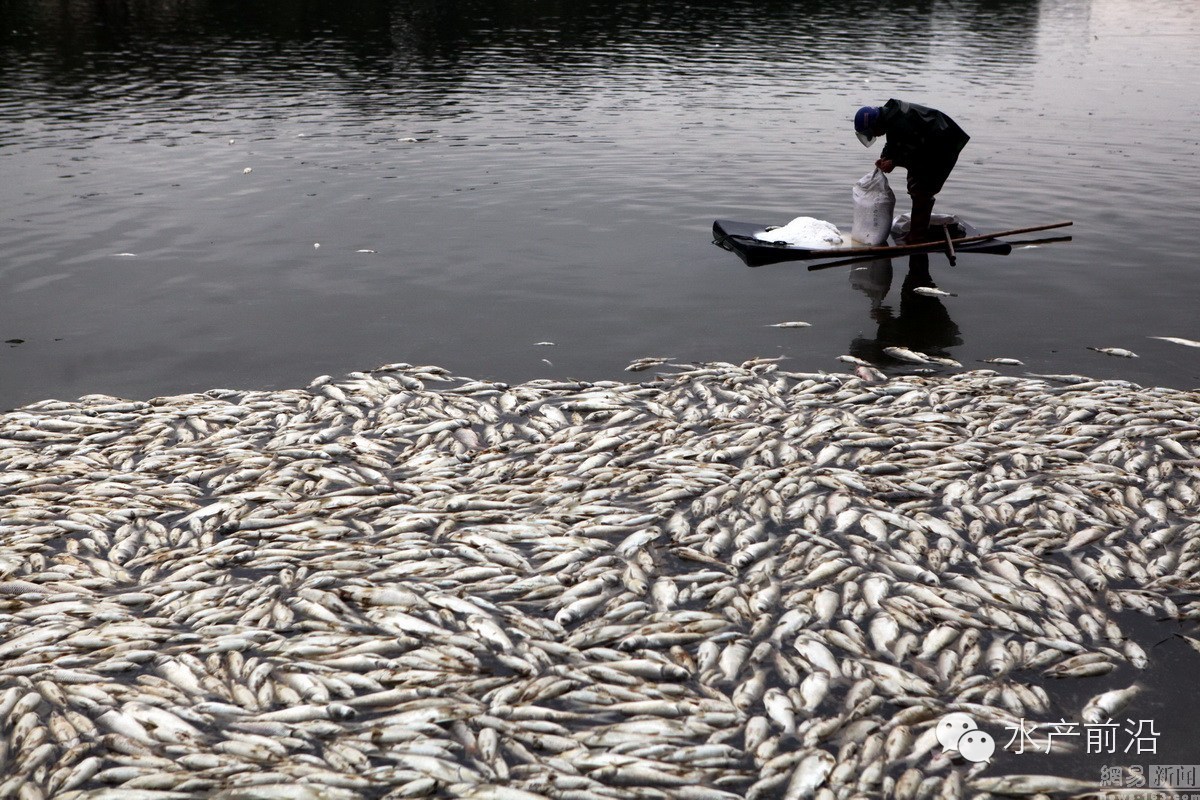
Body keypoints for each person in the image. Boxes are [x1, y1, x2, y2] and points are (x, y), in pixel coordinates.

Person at [854, 100, 969, 242]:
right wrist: (885, 157)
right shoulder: (891, 117)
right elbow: (896, 142)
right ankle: (917, 231)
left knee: (922, 189)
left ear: (876, 123)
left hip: (945, 143)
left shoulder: (900, 121)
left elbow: (918, 150)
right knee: (916, 184)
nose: (875, 136)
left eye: (873, 132)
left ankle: (918, 236)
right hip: (929, 143)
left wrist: (894, 162)